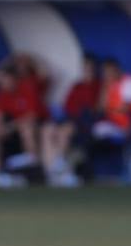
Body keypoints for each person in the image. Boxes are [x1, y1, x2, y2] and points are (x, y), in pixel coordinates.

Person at [42, 52, 100, 180]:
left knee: (64, 132)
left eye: (89, 68)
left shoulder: (97, 86)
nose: (87, 71)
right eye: (85, 68)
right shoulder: (77, 86)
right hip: (69, 119)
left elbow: (95, 108)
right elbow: (67, 106)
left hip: (84, 122)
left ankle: (60, 168)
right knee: (48, 129)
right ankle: (49, 169)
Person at [0, 62, 43, 173]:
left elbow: (31, 116)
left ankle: (34, 166)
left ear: (12, 78)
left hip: (38, 123)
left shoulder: (27, 86)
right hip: (14, 125)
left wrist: (10, 127)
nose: (1, 83)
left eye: (4, 79)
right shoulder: (2, 92)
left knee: (27, 129)